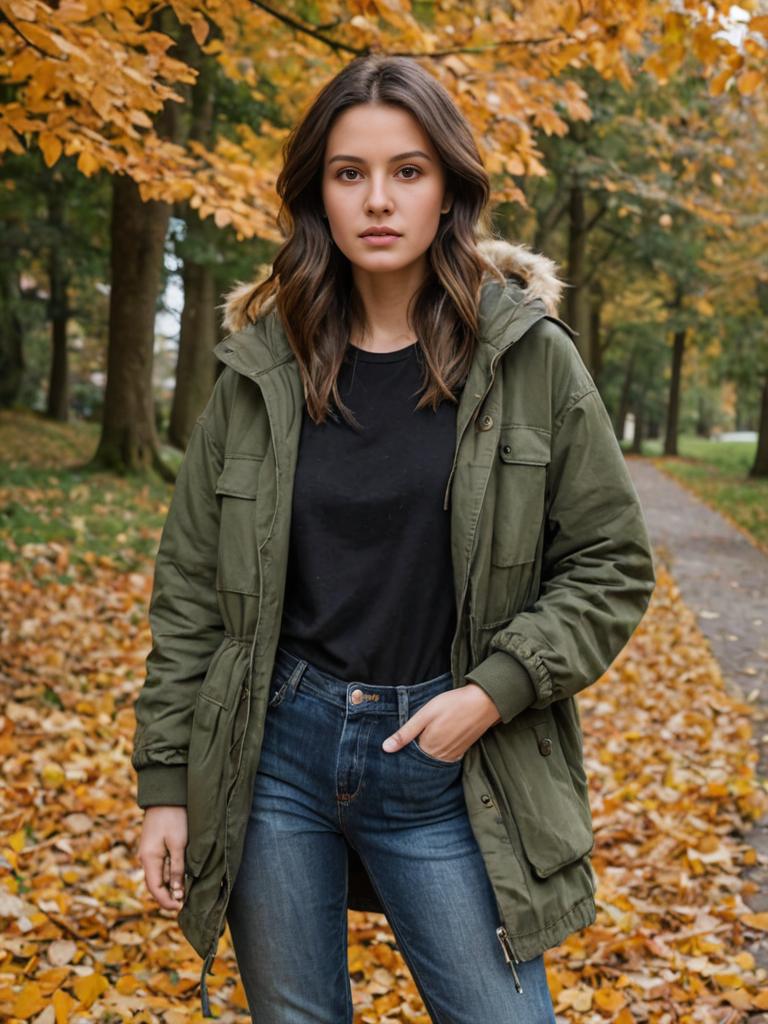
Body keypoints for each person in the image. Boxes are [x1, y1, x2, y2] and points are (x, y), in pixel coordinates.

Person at [132, 54, 656, 1023]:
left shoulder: (529, 359)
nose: (378, 199)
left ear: (449, 188)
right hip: (275, 750)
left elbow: (613, 565)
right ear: (316, 194)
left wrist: (490, 695)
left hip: (449, 758)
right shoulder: (259, 369)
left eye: (408, 171)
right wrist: (167, 785)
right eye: (349, 173)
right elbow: (193, 592)